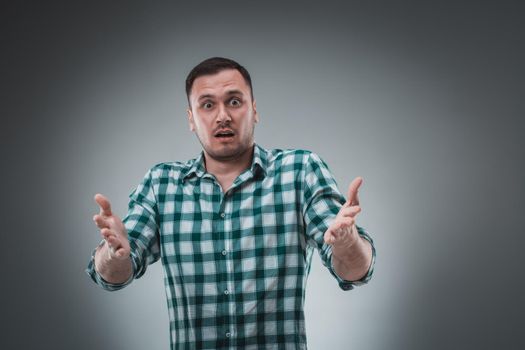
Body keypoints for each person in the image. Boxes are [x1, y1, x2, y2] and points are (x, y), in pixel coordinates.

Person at [86, 57, 376, 350]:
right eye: (208, 105)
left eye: (234, 102)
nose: (222, 116)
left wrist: (347, 244)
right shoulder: (161, 184)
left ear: (254, 110)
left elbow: (355, 271)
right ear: (191, 118)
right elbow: (113, 276)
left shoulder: (300, 171)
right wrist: (115, 255)